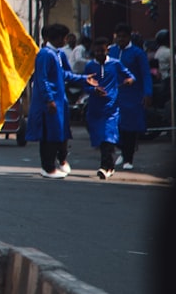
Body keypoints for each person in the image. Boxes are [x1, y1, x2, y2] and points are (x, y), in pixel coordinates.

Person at [27, 23, 93, 178]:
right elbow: (42, 79)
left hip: (58, 100)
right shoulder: (45, 54)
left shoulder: (57, 54)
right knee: (49, 135)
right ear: (55, 38)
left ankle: (57, 162)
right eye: (63, 38)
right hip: (50, 102)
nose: (65, 41)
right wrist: (49, 99)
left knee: (58, 133)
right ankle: (48, 167)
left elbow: (63, 75)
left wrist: (84, 79)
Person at [79, 37, 135, 180]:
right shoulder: (90, 66)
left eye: (101, 51)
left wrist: (129, 80)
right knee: (99, 137)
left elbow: (130, 76)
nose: (99, 54)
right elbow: (85, 85)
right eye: (96, 51)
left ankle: (105, 167)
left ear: (107, 50)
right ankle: (109, 165)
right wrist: (94, 90)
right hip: (95, 109)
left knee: (108, 136)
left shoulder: (115, 64)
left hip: (111, 108)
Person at [108, 23, 152, 171]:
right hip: (115, 94)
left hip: (133, 95)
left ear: (129, 37)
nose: (121, 39)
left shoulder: (137, 53)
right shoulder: (111, 51)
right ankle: (122, 149)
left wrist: (147, 93)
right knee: (116, 124)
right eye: (118, 36)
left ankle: (128, 157)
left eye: (123, 36)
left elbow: (145, 74)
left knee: (130, 127)